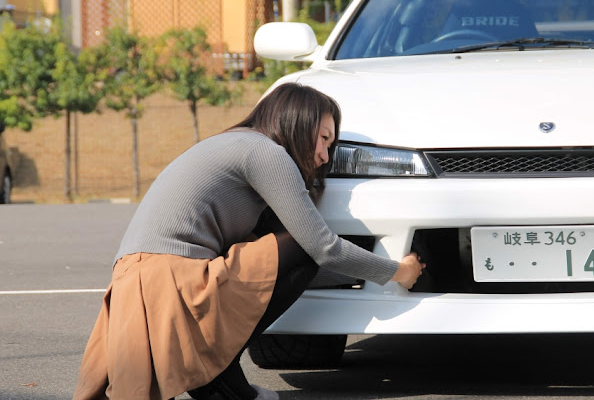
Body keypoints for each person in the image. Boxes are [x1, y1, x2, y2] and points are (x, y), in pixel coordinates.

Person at [73, 83, 425, 400]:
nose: (324, 156)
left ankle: (219, 379)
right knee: (302, 247)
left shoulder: (232, 143)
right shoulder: (266, 153)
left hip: (138, 280)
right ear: (298, 123)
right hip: (170, 280)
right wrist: (398, 271)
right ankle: (218, 377)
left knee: (278, 247)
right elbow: (322, 248)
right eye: (323, 139)